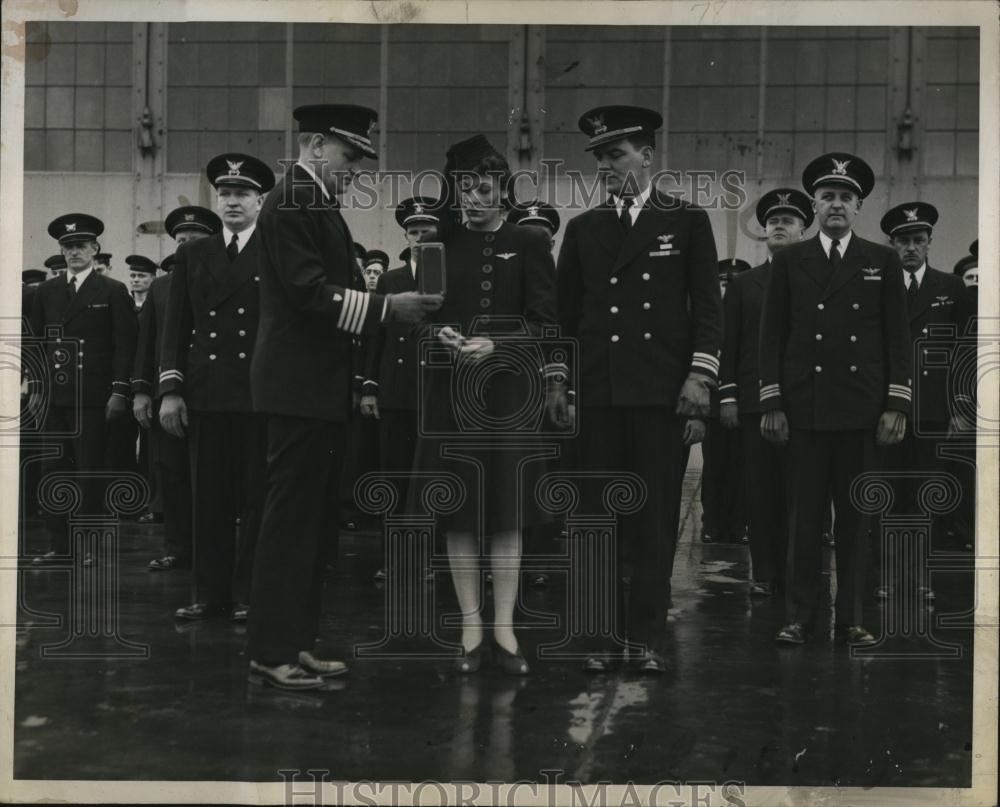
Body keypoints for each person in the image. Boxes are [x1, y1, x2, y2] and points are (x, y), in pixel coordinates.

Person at [247, 103, 442, 690]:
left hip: (313, 386)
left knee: (310, 522)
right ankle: (271, 649)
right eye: (349, 155)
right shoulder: (290, 202)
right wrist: (387, 309)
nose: (356, 168)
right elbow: (309, 293)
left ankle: (295, 643)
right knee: (289, 521)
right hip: (297, 386)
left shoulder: (313, 202)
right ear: (314, 145)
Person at [555, 105, 722, 674]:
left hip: (659, 394)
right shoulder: (582, 229)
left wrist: (700, 375)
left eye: (617, 154)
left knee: (652, 520)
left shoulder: (688, 221)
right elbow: (564, 317)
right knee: (597, 519)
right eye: (600, 157)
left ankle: (644, 637)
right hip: (599, 393)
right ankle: (598, 637)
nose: (606, 166)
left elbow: (708, 310)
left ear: (647, 157)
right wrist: (560, 379)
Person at [407, 134, 558, 676]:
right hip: (451, 395)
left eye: (485, 188)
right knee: (460, 513)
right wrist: (440, 336)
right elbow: (419, 318)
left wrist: (501, 344)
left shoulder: (531, 242)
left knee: (508, 514)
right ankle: (471, 628)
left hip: (510, 396)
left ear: (503, 192)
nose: (474, 197)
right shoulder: (434, 246)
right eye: (466, 188)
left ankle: (505, 628)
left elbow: (545, 323)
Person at [759, 152, 911, 647]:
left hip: (861, 411)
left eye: (846, 197)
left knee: (855, 521)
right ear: (815, 206)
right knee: (804, 521)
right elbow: (771, 337)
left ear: (859, 206)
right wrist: (773, 402)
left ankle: (852, 619)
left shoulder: (882, 260)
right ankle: (800, 616)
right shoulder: (788, 261)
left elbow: (897, 339)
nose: (836, 205)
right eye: (827, 197)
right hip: (804, 409)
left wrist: (897, 404)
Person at [159, 153, 275, 622]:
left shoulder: (275, 247)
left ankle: (249, 594)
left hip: (258, 391)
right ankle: (209, 594)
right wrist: (170, 388)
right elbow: (176, 325)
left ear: (260, 200)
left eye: (241, 194)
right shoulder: (193, 253)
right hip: (205, 391)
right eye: (224, 194)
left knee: (255, 497)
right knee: (207, 497)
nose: (231, 202)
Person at [875, 202, 972, 600]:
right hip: (887, 409)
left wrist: (961, 406)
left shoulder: (950, 287)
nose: (910, 248)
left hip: (933, 410)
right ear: (892, 244)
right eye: (903, 240)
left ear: (930, 243)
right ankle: (886, 576)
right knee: (886, 495)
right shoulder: (878, 283)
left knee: (925, 495)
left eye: (918, 240)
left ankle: (919, 579)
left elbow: (965, 350)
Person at [27, 214, 137, 563]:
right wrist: (35, 389)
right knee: (54, 471)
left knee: (90, 472)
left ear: (95, 249)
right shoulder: (46, 291)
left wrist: (119, 391)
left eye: (81, 246)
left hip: (94, 397)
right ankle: (60, 546)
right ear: (61, 251)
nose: (74, 252)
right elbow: (36, 344)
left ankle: (87, 546)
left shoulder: (112, 290)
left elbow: (125, 346)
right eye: (68, 247)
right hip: (55, 398)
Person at [720, 188, 813, 595]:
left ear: (803, 229)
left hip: (805, 404)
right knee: (759, 493)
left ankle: (797, 573)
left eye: (788, 220)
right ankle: (765, 573)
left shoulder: (815, 281)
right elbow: (730, 342)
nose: (778, 224)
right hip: (756, 404)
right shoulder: (744, 283)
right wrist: (728, 396)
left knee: (802, 493)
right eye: (773, 219)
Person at [133, 207, 222, 569]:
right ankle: (178, 547)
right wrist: (141, 390)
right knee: (171, 472)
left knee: (214, 476)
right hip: (167, 393)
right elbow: (147, 342)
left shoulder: (225, 279)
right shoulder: (160, 286)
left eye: (194, 240)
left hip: (213, 393)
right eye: (180, 241)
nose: (185, 246)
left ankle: (213, 553)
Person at [362, 196, 445, 583]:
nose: (418, 237)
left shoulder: (448, 277)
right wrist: (369, 388)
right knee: (393, 477)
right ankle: (393, 558)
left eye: (426, 231)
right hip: (395, 392)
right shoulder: (391, 280)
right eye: (412, 231)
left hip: (435, 390)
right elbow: (374, 339)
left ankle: (429, 558)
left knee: (433, 480)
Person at [701, 258, 750, 545]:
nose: (728, 287)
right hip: (713, 401)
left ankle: (738, 523)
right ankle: (713, 521)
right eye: (723, 282)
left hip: (745, 400)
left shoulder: (751, 312)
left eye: (733, 282)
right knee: (714, 465)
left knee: (742, 466)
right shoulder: (710, 315)